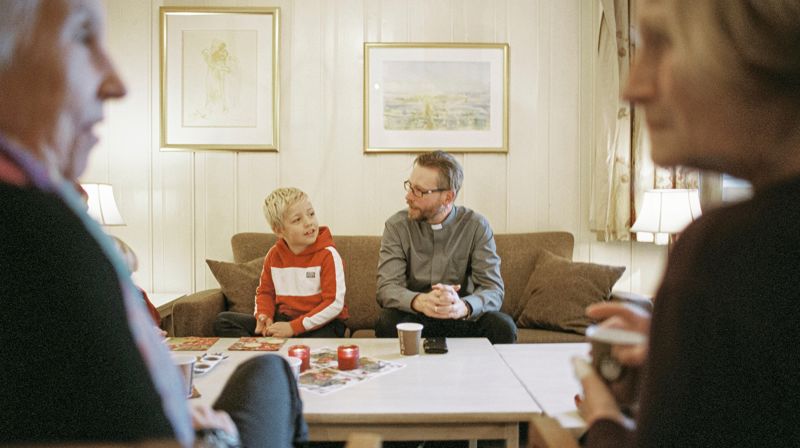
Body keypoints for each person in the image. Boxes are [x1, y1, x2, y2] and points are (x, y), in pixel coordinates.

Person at [0, 1, 306, 446]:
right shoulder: (39, 235)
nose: (117, 82)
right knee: (272, 372)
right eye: (82, 35)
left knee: (268, 368)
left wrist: (177, 413)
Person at [572, 0, 800, 446]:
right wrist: (681, 359)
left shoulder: (732, 250)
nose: (631, 87)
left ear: (764, 50)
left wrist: (604, 422)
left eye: (662, 44)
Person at [374, 150, 516, 344]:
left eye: (419, 191)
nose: (408, 196)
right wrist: (420, 301)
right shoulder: (396, 226)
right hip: (417, 318)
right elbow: (386, 288)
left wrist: (464, 306)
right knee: (386, 322)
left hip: (460, 318)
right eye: (409, 187)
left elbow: (493, 289)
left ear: (448, 197)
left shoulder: (476, 226)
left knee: (502, 326)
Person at [214, 187, 349, 338]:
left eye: (311, 214)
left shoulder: (328, 255)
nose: (308, 222)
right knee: (223, 321)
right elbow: (265, 292)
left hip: (323, 323)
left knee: (316, 342)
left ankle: (280, 348)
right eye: (297, 220)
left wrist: (294, 327)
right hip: (285, 320)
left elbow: (334, 304)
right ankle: (267, 348)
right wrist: (264, 316)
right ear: (279, 230)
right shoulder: (273, 255)